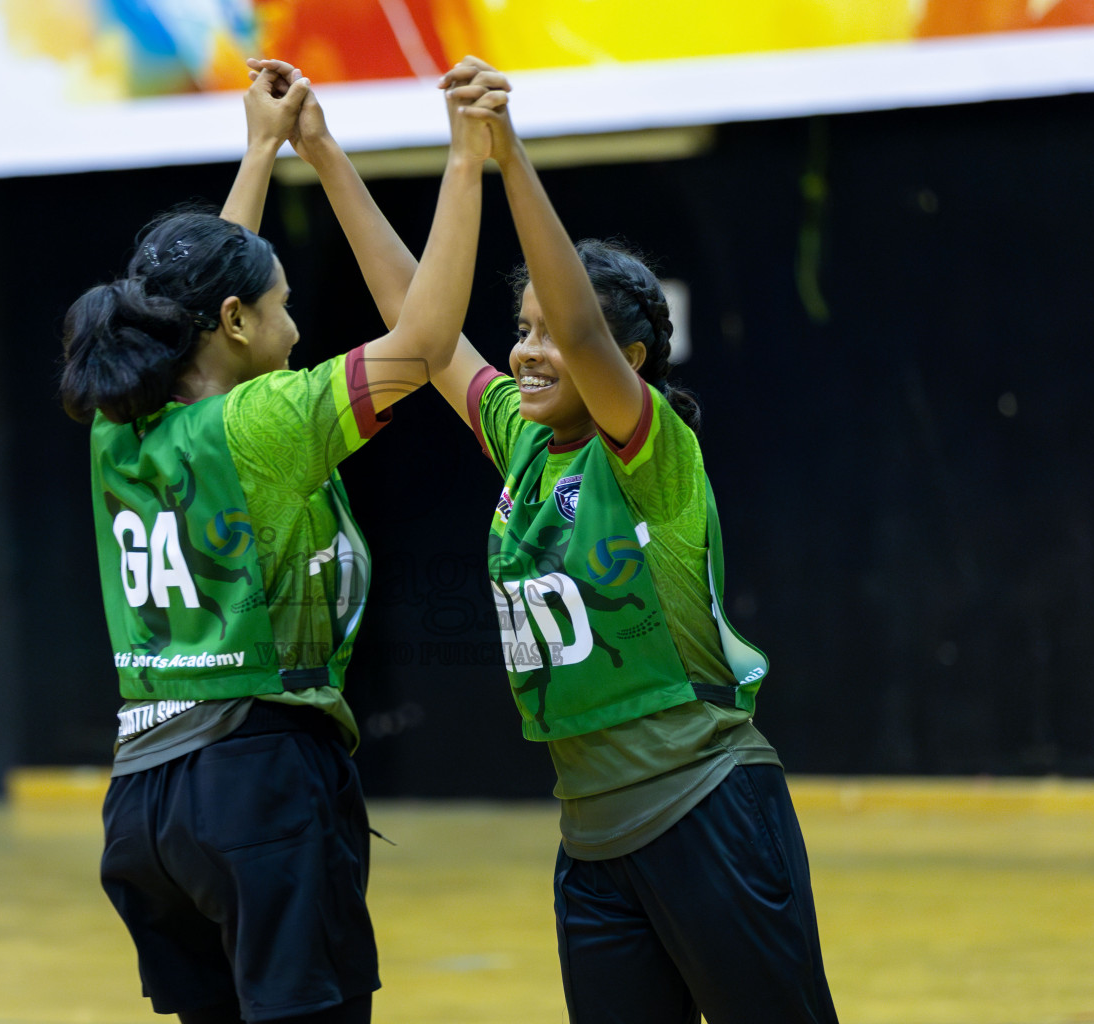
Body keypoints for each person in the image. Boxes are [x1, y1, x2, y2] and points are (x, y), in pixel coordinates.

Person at [256, 54, 840, 1024]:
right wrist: (322, 152)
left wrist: (504, 154)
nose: (529, 348)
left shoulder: (648, 451)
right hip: (592, 842)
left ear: (630, 359)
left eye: (546, 332)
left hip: (705, 812)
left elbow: (581, 324)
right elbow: (424, 332)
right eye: (518, 327)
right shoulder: (527, 446)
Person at [58, 63, 495, 1024]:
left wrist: (263, 150)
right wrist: (460, 165)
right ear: (236, 322)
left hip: (143, 803)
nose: (295, 329)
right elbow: (425, 341)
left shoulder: (114, 427)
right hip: (253, 781)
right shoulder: (266, 420)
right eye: (283, 305)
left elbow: (186, 303)